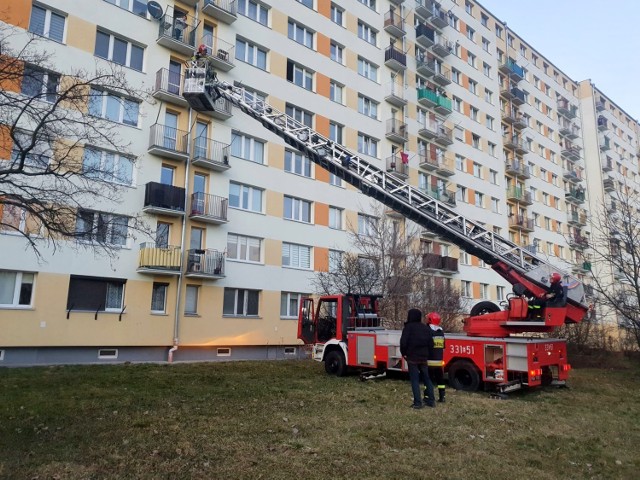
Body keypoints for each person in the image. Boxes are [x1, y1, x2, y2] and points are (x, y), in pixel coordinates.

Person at [400, 308, 435, 409]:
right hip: (423, 358)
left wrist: (404, 353)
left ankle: (418, 403)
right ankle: (431, 401)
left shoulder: (408, 327)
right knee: (427, 379)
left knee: (415, 380)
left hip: (412, 358)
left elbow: (403, 342)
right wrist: (427, 354)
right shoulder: (425, 328)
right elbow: (431, 343)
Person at [426, 312, 446, 403]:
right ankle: (442, 397)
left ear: (430, 320)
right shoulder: (441, 332)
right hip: (439, 361)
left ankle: (427, 396)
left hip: (429, 360)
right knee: (440, 379)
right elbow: (443, 346)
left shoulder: (428, 331)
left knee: (428, 379)